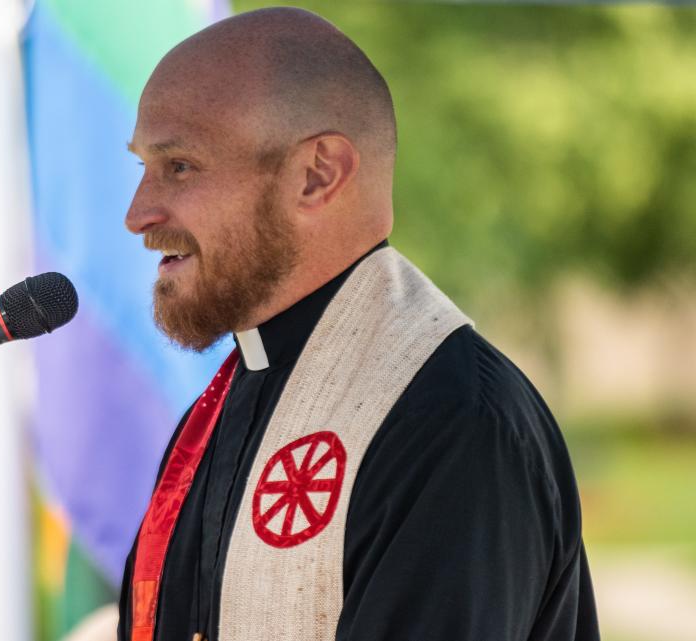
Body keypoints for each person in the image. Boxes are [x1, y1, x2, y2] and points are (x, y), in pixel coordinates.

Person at [119, 7, 600, 641]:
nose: (137, 213)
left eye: (180, 166)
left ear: (317, 174)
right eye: (143, 168)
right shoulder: (228, 398)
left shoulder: (451, 421)